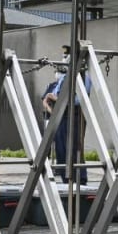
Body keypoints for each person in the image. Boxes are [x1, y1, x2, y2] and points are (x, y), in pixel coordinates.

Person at [42, 45, 92, 184]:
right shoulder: (64, 78)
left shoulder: (84, 77)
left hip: (74, 115)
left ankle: (80, 178)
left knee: (74, 146)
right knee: (61, 148)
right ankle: (66, 178)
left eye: (67, 57)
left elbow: (79, 99)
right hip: (61, 114)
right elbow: (52, 95)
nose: (64, 60)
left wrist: (56, 99)